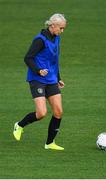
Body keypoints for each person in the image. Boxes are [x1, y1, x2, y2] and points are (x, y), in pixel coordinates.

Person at [13, 13, 67, 151]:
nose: (62, 31)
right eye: (60, 28)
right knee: (41, 113)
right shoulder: (40, 40)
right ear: (52, 25)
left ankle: (49, 143)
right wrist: (38, 71)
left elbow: (54, 60)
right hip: (37, 79)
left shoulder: (57, 38)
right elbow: (28, 58)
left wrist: (58, 77)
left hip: (51, 79)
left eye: (63, 28)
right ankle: (19, 125)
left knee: (58, 112)